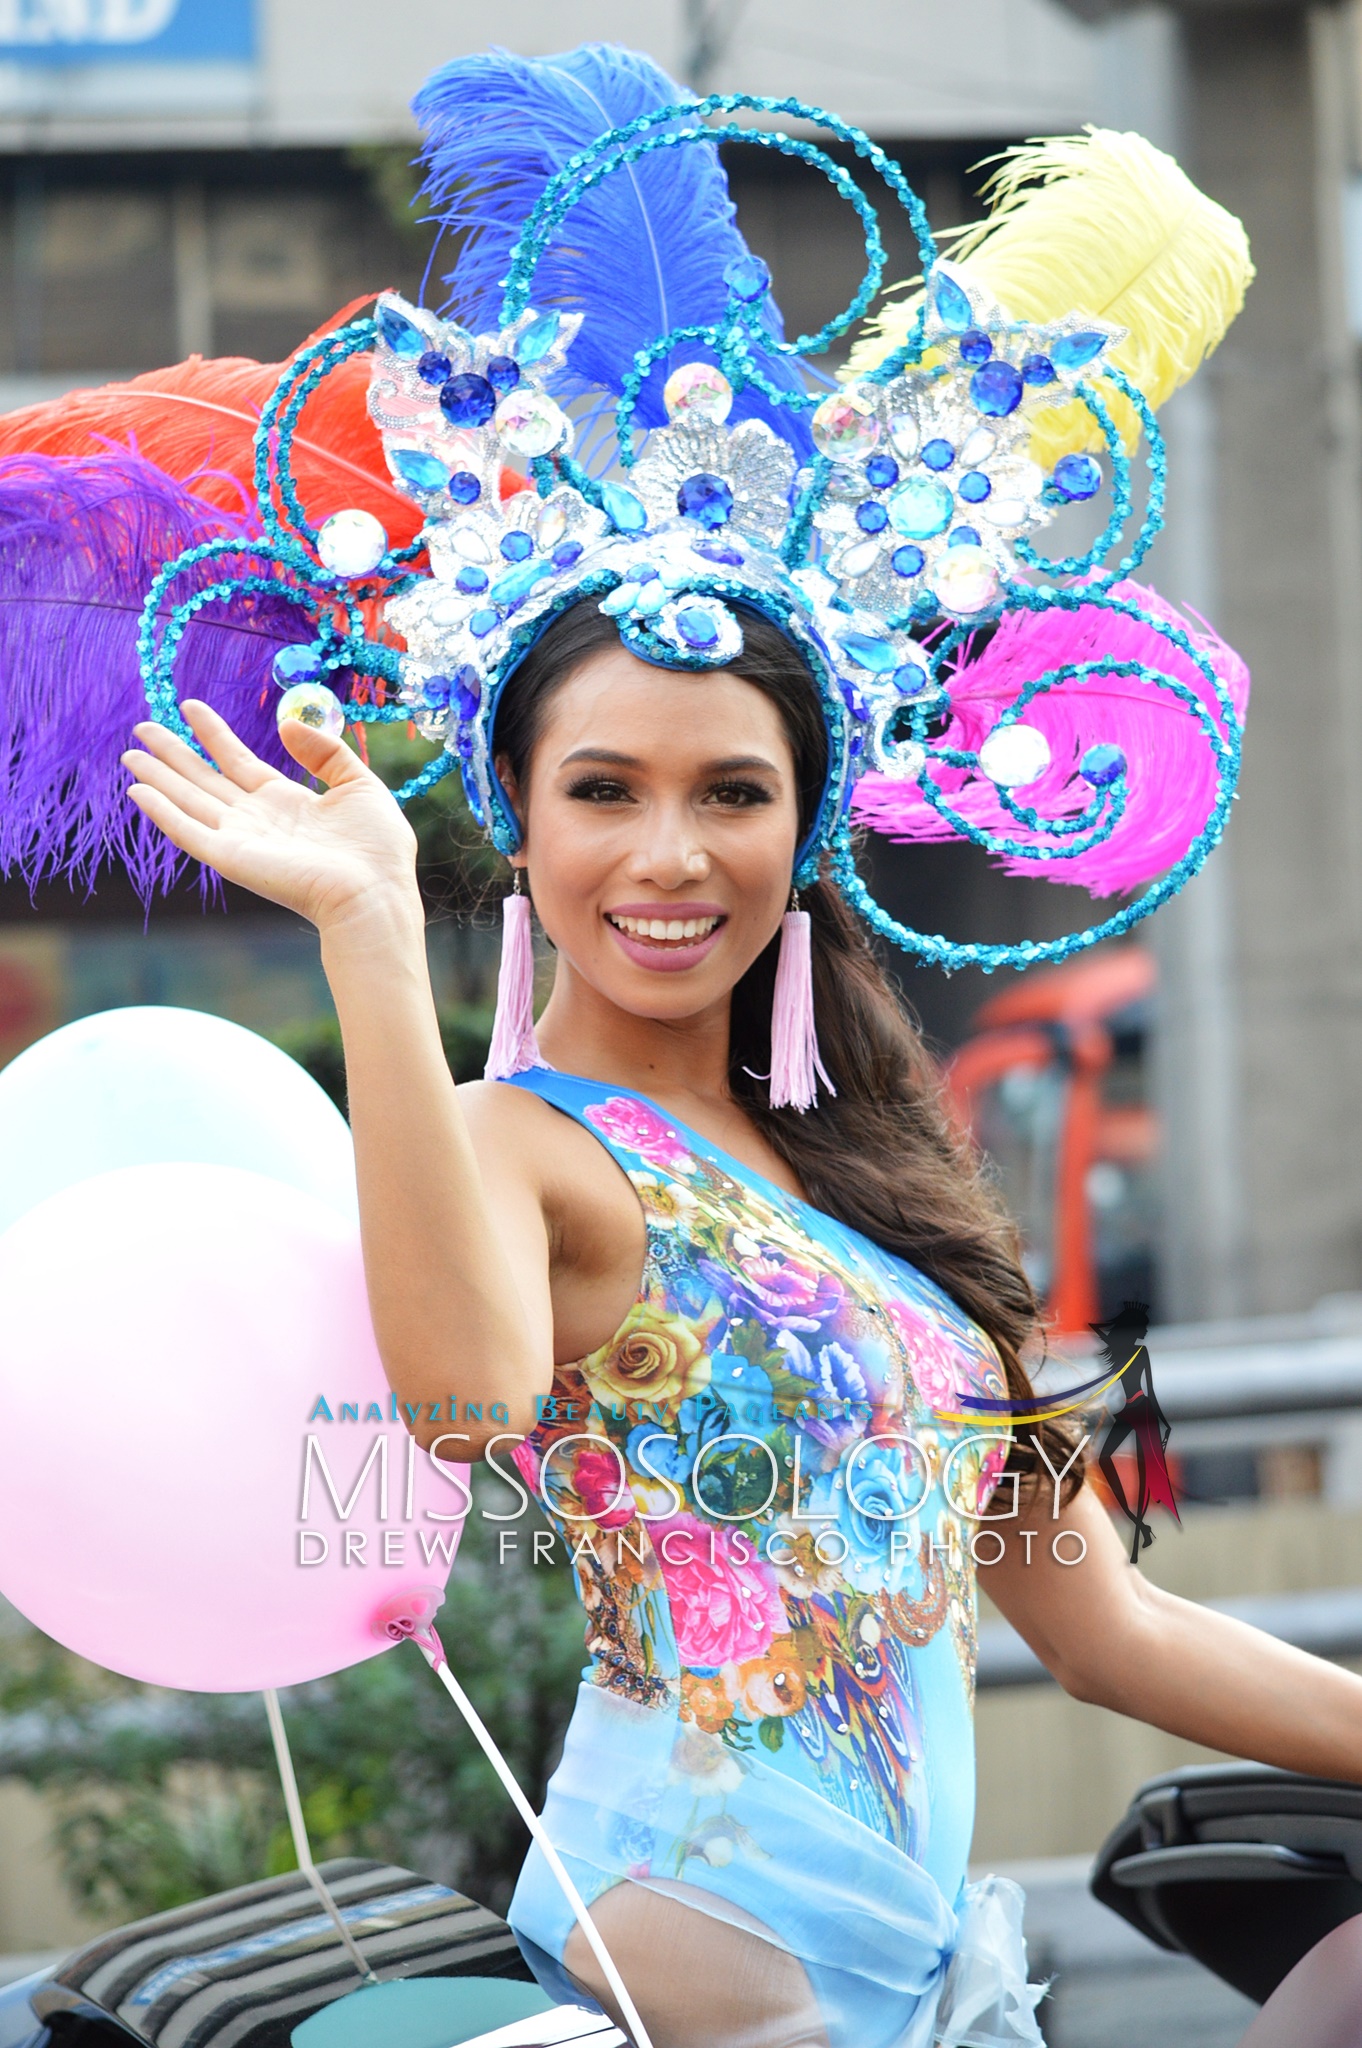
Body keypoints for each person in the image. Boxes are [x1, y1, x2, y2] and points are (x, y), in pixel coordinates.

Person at [67, 40, 1362, 2048]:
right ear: (522, 815)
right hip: (696, 1962)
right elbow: (473, 1402)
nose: (668, 858)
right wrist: (371, 938)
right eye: (606, 791)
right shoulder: (519, 1140)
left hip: (940, 1968)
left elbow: (1104, 1619)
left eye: (730, 795)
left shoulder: (896, 1186)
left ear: (806, 823)